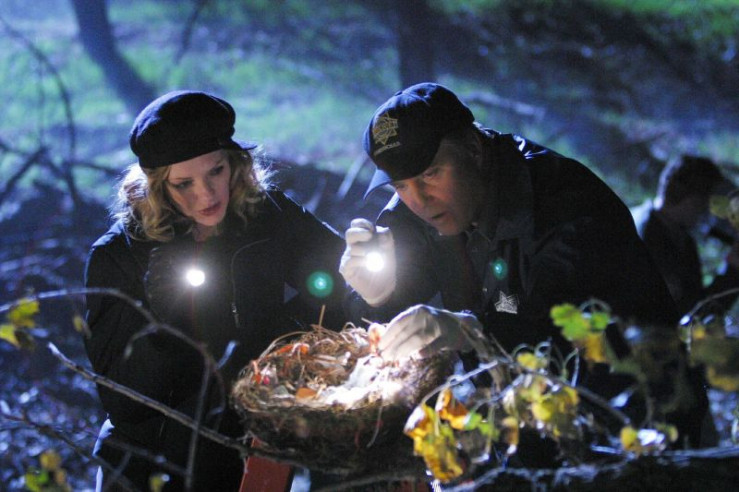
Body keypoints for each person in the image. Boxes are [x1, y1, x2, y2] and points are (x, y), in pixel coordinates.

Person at [339, 82, 709, 448]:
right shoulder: (420, 209)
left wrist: (471, 332)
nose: (418, 199)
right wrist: (377, 295)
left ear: (473, 148)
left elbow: (564, 346)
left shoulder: (566, 205)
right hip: (524, 420)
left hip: (635, 420)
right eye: (400, 185)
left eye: (430, 174)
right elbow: (381, 321)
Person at [83, 90, 345, 490]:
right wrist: (162, 327)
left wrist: (281, 334)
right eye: (183, 184)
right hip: (156, 462)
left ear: (234, 163)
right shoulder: (118, 256)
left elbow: (340, 280)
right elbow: (123, 403)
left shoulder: (265, 214)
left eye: (215, 172)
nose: (206, 195)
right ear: (157, 186)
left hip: (252, 443)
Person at [632, 154, 739, 318]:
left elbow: (698, 307)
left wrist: (733, 269)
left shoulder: (681, 238)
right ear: (693, 200)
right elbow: (685, 315)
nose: (705, 210)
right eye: (706, 202)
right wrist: (733, 270)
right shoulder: (646, 235)